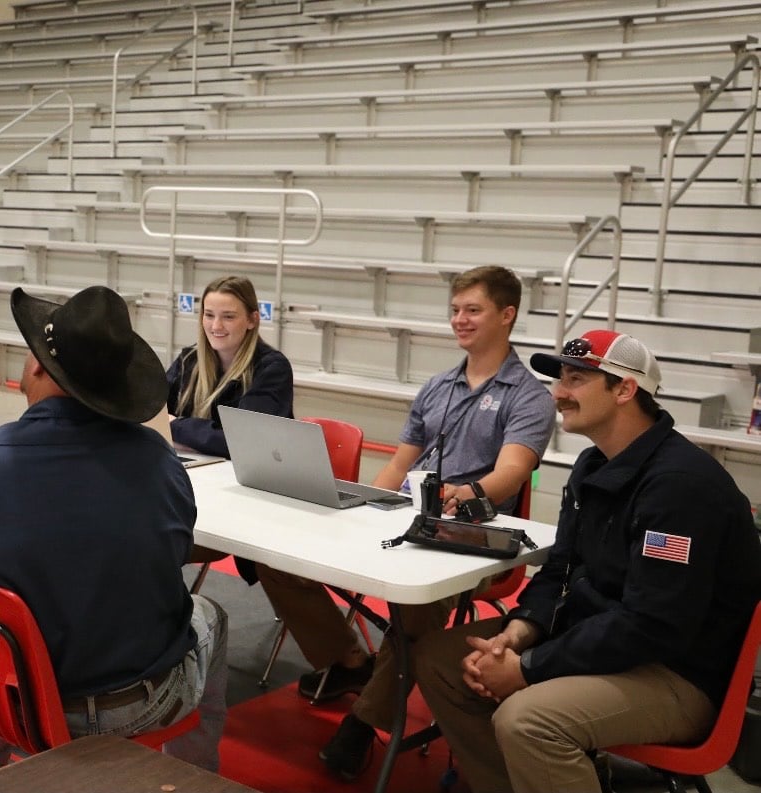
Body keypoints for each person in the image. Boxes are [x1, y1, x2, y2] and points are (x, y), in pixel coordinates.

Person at [412, 329, 761, 793]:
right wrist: (520, 632)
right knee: (439, 659)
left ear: (624, 389)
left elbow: (653, 624)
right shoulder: (594, 466)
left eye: (575, 379)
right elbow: (559, 570)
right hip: (602, 641)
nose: (558, 394)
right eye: (561, 380)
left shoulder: (680, 487)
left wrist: (529, 667)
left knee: (528, 720)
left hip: (676, 672)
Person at [0, 285, 228, 777]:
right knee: (210, 614)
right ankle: (190, 780)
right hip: (125, 706)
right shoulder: (159, 464)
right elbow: (172, 559)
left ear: (39, 367)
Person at [313, 266, 555, 780]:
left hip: (475, 540)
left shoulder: (528, 396)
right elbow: (400, 463)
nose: (459, 320)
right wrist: (370, 502)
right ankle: (346, 663)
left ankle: (361, 724)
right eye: (454, 310)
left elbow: (512, 471)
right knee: (291, 558)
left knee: (416, 610)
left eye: (473, 310)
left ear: (507, 315)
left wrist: (462, 496)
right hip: (408, 520)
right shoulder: (437, 385)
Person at [165, 275, 294, 458]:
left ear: (252, 320)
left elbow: (242, 440)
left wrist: (175, 426)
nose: (216, 326)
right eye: (209, 315)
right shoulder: (189, 359)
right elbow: (150, 411)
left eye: (228, 317)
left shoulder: (271, 369)